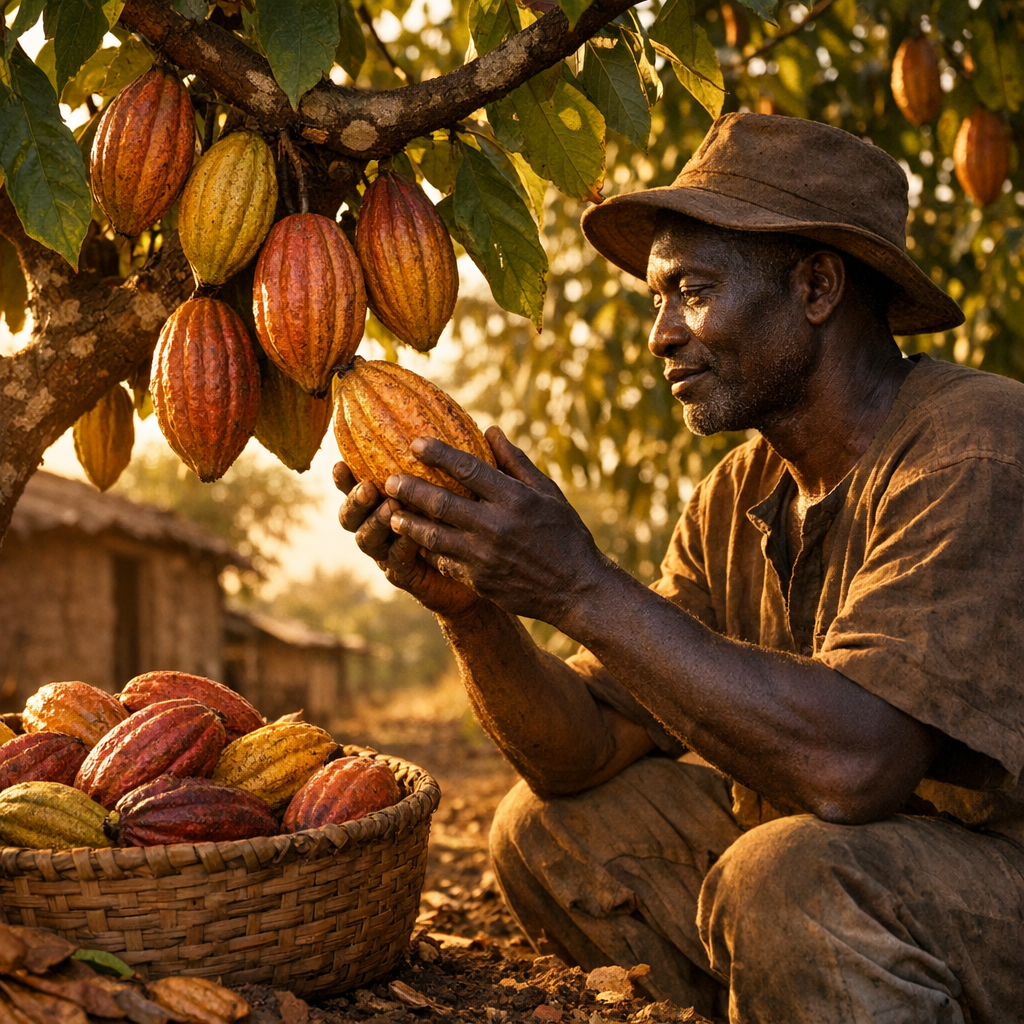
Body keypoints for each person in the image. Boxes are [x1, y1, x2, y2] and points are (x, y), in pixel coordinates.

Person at [334, 114, 1024, 1022]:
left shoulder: (977, 447)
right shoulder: (735, 495)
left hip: (997, 881)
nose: (661, 334)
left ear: (817, 286)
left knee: (786, 879)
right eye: (657, 298)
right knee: (547, 831)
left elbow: (858, 765)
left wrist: (578, 584)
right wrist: (475, 609)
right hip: (863, 870)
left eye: (692, 291)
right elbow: (578, 756)